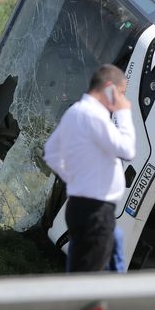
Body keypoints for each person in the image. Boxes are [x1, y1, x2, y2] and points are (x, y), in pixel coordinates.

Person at [44, 64, 136, 272]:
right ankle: (86, 303)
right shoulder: (94, 116)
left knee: (114, 253)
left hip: (83, 206)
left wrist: (74, 179)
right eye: (121, 93)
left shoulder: (75, 112)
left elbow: (50, 152)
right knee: (86, 276)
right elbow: (127, 150)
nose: (122, 99)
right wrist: (123, 113)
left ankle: (108, 299)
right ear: (110, 88)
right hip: (95, 211)